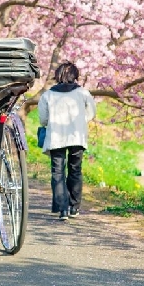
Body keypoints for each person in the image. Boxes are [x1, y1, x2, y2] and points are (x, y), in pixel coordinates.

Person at [38, 61, 97, 221]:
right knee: (75, 170)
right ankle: (74, 207)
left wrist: (49, 123)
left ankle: (62, 209)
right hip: (77, 137)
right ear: (75, 76)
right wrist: (80, 121)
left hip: (56, 138)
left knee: (57, 172)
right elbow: (92, 112)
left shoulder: (48, 95)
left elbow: (43, 120)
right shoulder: (83, 93)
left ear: (58, 76)